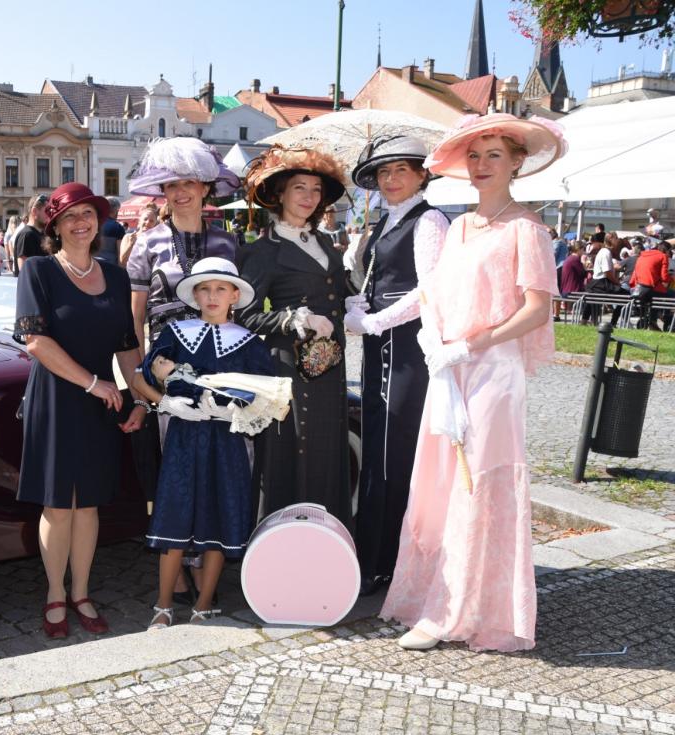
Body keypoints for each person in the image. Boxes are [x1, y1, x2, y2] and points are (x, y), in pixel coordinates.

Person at [381, 113, 566, 652]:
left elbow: (536, 310)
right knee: (439, 477)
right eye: (475, 156)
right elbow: (437, 293)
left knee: (477, 482)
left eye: (494, 156)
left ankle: (460, 613)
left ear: (515, 164)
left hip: (494, 371)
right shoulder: (458, 226)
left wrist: (472, 344)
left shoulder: (528, 228)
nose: (482, 166)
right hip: (450, 365)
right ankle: (433, 597)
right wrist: (435, 340)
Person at [13, 183, 145, 638]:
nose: (80, 222)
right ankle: (54, 593)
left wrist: (140, 397)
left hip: (102, 400)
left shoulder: (117, 274)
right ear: (55, 226)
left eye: (87, 213)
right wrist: (93, 383)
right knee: (58, 506)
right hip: (57, 396)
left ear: (98, 220)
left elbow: (128, 346)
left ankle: (82, 592)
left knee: (88, 505)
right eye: (70, 216)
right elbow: (35, 341)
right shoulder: (40, 271)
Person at [130, 258, 278, 629]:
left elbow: (271, 400)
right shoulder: (176, 333)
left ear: (234, 295)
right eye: (205, 289)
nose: (213, 296)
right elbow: (139, 378)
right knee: (174, 514)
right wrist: (164, 402)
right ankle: (163, 606)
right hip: (183, 438)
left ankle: (204, 604)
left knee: (218, 515)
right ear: (194, 295)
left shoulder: (248, 344)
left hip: (227, 443)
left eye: (220, 289)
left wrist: (237, 415)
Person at [125, 137, 241, 604]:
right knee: (173, 469)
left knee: (214, 464)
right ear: (162, 191)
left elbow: (238, 309)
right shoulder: (146, 242)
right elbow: (133, 317)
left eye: (189, 182)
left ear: (205, 187)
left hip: (217, 367)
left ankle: (202, 559)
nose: (180, 192)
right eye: (171, 184)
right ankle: (174, 563)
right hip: (167, 368)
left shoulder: (228, 240)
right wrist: (137, 379)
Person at [343, 135, 451, 596]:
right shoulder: (387, 220)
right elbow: (377, 278)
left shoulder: (428, 220)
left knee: (397, 450)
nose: (390, 180)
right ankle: (375, 555)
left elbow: (429, 291)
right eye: (384, 173)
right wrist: (357, 301)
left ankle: (393, 562)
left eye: (400, 171)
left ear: (422, 174)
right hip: (379, 342)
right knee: (379, 448)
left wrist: (374, 322)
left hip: (405, 345)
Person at [236, 144, 353, 527]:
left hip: (331, 364)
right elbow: (246, 315)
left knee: (328, 453)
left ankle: (328, 539)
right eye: (299, 188)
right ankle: (287, 543)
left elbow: (337, 292)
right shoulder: (262, 251)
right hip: (291, 368)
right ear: (280, 194)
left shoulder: (323, 242)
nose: (309, 197)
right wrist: (292, 318)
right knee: (297, 455)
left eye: (316, 190)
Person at [630, 240, 671, 330]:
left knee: (656, 296)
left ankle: (653, 321)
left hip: (637, 290)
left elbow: (634, 275)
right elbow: (664, 277)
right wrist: (671, 278)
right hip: (649, 290)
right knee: (670, 296)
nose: (669, 253)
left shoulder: (642, 255)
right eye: (669, 251)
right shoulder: (663, 256)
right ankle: (667, 322)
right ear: (666, 250)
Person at [13, 194, 49, 276]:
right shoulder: (27, 235)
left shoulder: (41, 233)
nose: (49, 215)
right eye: (46, 211)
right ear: (34, 211)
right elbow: (24, 271)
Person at [118, 202, 159, 267]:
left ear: (155, 224)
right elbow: (122, 263)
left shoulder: (158, 240)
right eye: (145, 219)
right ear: (139, 221)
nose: (147, 222)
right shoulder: (128, 237)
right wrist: (131, 244)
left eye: (151, 221)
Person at [97, 197, 126, 267]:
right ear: (116, 211)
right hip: (111, 267)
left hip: (92, 265)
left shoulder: (94, 224)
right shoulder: (118, 227)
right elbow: (121, 253)